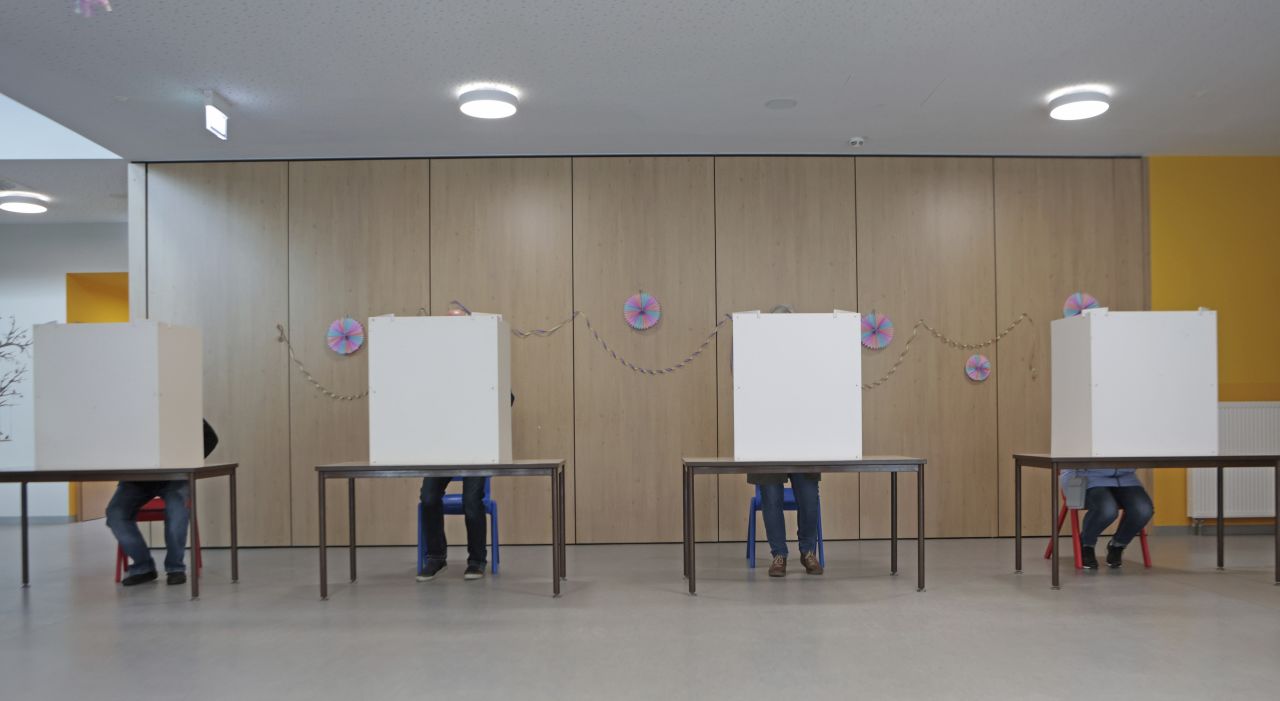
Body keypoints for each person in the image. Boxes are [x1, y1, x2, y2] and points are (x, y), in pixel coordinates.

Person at [748, 304, 822, 578]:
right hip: (766, 437)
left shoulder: (808, 352)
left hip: (804, 437)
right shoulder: (755, 352)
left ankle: (807, 553)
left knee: (808, 497)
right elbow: (740, 378)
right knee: (770, 497)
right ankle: (779, 555)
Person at [106, 420, 219, 586]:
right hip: (136, 479)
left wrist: (188, 460)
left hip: (174, 477)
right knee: (115, 514)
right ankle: (143, 567)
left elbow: (211, 438)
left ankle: (175, 568)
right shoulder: (129, 411)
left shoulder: (179, 408)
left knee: (177, 511)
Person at [417, 391, 514, 583]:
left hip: (476, 448)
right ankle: (436, 559)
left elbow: (508, 398)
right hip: (444, 447)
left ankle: (477, 560)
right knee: (428, 498)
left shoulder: (484, 369)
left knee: (471, 501)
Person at [1061, 467, 1154, 569]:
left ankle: (1117, 545)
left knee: (1143, 510)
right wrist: (1070, 485)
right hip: (1090, 479)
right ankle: (1086, 544)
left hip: (1126, 479)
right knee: (1107, 510)